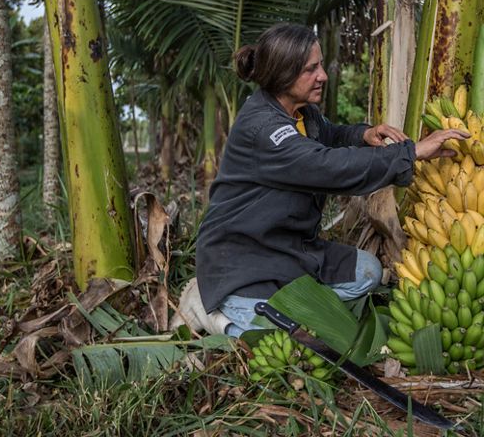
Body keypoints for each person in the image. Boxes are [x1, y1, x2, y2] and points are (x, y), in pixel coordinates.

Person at [173, 24, 470, 338]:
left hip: (291, 250)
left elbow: (331, 136)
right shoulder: (263, 128)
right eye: (311, 69)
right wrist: (412, 153)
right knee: (272, 340)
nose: (323, 76)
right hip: (246, 261)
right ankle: (215, 309)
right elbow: (326, 165)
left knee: (368, 273)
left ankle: (287, 308)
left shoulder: (302, 113)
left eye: (320, 66)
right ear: (283, 74)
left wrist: (363, 134)